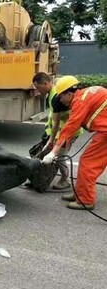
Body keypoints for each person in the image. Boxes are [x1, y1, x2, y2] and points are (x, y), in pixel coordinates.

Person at [43, 75, 107, 210]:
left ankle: (85, 200)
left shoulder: (80, 101)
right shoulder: (84, 95)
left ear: (69, 93)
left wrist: (53, 153)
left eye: (61, 96)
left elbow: (70, 127)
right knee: (86, 162)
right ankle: (80, 194)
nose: (61, 100)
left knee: (88, 164)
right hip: (103, 132)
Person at [32, 72, 83, 189]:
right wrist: (50, 137)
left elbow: (57, 122)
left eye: (38, 87)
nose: (37, 90)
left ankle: (65, 180)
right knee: (54, 155)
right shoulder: (53, 94)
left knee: (59, 156)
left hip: (69, 132)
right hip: (61, 132)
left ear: (45, 83)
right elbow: (53, 118)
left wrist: (53, 140)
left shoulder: (57, 96)